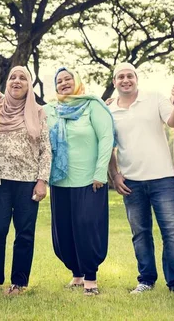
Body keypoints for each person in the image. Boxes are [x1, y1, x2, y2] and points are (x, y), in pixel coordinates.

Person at [106, 62, 174, 295]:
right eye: (120, 77)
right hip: (131, 181)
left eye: (129, 76)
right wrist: (114, 175)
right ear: (114, 82)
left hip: (163, 179)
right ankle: (146, 280)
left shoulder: (154, 98)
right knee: (140, 233)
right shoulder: (109, 111)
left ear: (136, 79)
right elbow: (108, 147)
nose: (125, 80)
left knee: (171, 232)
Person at [44, 67, 114, 296]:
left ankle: (91, 278)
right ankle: (76, 274)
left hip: (89, 180)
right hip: (60, 180)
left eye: (68, 79)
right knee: (64, 231)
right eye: (59, 81)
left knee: (87, 227)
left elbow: (106, 138)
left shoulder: (93, 104)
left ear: (77, 81)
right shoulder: (51, 109)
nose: (63, 83)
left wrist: (100, 172)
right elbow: (23, 111)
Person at [0, 66, 51, 295]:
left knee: (24, 232)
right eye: (13, 77)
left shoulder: (38, 111)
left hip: (28, 181)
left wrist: (42, 180)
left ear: (29, 85)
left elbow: (46, 149)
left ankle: (19, 282)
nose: (17, 81)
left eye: (23, 78)